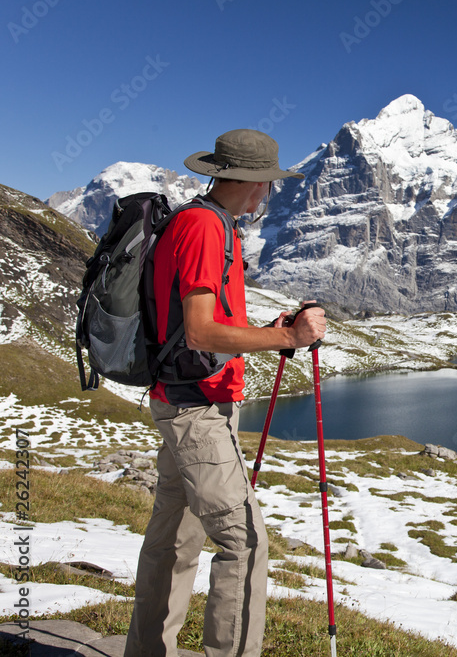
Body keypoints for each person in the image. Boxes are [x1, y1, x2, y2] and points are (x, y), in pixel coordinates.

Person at [125, 129, 326, 657]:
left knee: (175, 541)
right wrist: (287, 337)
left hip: (188, 401)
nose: (269, 195)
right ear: (253, 182)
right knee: (246, 543)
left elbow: (213, 326)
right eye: (268, 185)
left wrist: (269, 327)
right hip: (197, 412)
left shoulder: (213, 224)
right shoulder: (204, 229)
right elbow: (199, 332)